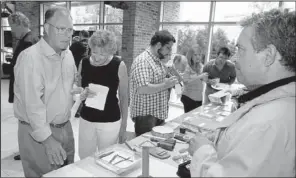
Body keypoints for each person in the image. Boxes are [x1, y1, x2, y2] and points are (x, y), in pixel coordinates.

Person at [189, 9, 295, 176]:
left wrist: (202, 152)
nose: (235, 59)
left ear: (269, 55)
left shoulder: (267, 124)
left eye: (241, 50)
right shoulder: (277, 105)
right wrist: (219, 140)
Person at [13, 7, 76, 177]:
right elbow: (32, 105)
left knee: (67, 172)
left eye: (70, 29)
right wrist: (47, 140)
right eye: (62, 29)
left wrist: (78, 92)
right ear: (46, 29)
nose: (68, 34)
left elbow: (68, 86)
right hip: (39, 132)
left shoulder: (68, 55)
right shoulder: (31, 59)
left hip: (65, 127)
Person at [76, 30, 128, 160]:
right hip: (87, 119)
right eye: (94, 52)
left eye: (102, 53)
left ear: (111, 51)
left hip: (110, 121)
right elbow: (78, 88)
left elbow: (124, 97)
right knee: (85, 158)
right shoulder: (84, 62)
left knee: (107, 159)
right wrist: (81, 93)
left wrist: (124, 126)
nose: (97, 57)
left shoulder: (118, 65)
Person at [130, 30, 178, 137]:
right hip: (146, 116)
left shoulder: (156, 60)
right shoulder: (143, 61)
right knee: (144, 147)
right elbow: (142, 88)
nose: (169, 52)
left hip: (157, 113)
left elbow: (156, 82)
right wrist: (166, 85)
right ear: (158, 45)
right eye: (168, 48)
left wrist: (166, 81)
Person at [8, 12, 38, 161]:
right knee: (25, 123)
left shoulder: (29, 41)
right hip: (23, 90)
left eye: (12, 26)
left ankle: (29, 152)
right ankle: (27, 150)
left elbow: (29, 71)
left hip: (26, 91)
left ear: (19, 24)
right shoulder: (27, 39)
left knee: (27, 123)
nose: (12, 30)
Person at [177, 48, 209, 113]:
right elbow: (185, 82)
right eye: (195, 55)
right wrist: (199, 76)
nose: (198, 56)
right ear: (190, 56)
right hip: (189, 98)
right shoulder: (187, 66)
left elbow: (201, 80)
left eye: (199, 54)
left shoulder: (200, 66)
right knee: (189, 119)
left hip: (199, 98)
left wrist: (207, 80)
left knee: (195, 119)